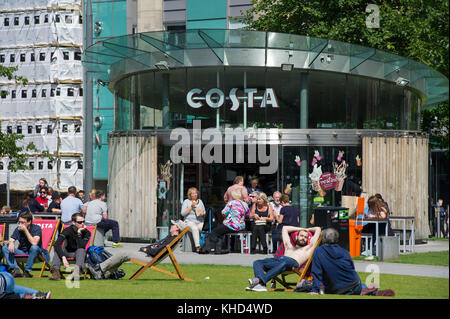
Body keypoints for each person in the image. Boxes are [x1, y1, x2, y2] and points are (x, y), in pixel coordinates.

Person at [87, 220, 186, 280]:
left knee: (123, 254)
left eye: (174, 225)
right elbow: (157, 247)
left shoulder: (172, 239)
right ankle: (105, 274)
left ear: (177, 228)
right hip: (149, 255)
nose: (171, 226)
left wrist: (146, 250)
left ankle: (99, 268)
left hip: (149, 258)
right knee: (122, 256)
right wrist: (146, 249)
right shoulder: (171, 237)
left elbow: (157, 250)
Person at [309, 227, 394, 296]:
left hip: (340, 289)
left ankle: (366, 290)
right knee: (356, 285)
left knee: (330, 288)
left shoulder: (318, 251)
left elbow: (317, 272)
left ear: (323, 239)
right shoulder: (344, 252)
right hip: (355, 283)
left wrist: (315, 290)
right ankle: (368, 290)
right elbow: (351, 268)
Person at [247, 225, 321, 291]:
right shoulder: (288, 246)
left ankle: (260, 280)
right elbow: (285, 228)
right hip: (279, 261)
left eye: (305, 237)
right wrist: (302, 228)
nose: (303, 238)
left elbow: (318, 229)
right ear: (296, 237)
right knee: (257, 262)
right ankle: (261, 285)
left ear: (308, 240)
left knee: (285, 262)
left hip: (292, 263)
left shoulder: (308, 248)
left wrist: (307, 229)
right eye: (301, 235)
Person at [1, 211, 50, 278]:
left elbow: (34, 243)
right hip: (23, 253)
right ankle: (15, 270)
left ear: (29, 222)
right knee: (5, 248)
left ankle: (26, 271)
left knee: (34, 247)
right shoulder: (18, 229)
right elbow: (11, 239)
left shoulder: (36, 228)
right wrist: (11, 242)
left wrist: (25, 230)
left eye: (23, 222)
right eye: (19, 222)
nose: (20, 224)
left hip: (37, 254)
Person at [49, 213, 91, 281]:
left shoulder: (87, 233)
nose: (82, 224)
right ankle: (55, 272)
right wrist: (63, 258)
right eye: (80, 222)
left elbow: (81, 246)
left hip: (78, 254)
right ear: (73, 222)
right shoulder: (67, 230)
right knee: (60, 247)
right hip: (67, 252)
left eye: (84, 221)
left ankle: (77, 272)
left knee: (81, 250)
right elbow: (57, 244)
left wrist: (79, 232)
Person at [206, 189, 249, 254]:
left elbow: (223, 213)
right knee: (221, 231)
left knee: (214, 232)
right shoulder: (245, 204)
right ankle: (223, 247)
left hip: (231, 225)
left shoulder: (231, 203)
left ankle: (213, 249)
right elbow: (248, 214)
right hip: (241, 226)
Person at [180, 187, 206, 253]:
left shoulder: (200, 201)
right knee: (194, 228)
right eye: (193, 193)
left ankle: (206, 246)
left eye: (196, 193)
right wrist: (191, 207)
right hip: (189, 221)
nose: (195, 195)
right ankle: (198, 247)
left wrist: (202, 214)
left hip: (199, 221)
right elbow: (183, 213)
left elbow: (204, 212)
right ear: (190, 195)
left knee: (204, 228)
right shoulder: (186, 202)